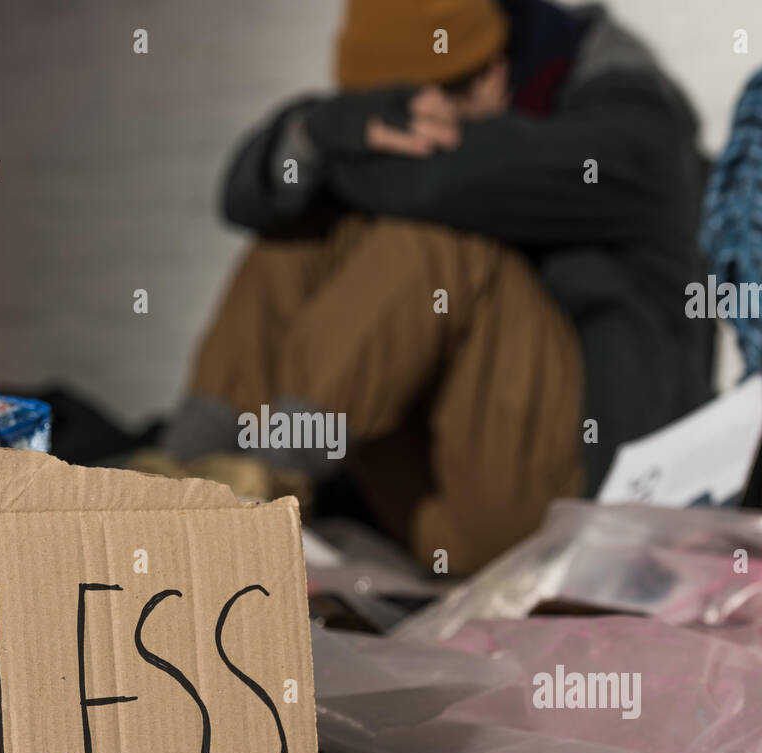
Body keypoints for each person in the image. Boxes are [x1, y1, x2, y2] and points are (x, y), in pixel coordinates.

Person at [137, 0, 712, 574]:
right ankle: (181, 469)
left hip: (561, 507)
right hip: (421, 500)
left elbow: (451, 175)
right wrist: (314, 134)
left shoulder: (635, 124)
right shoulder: (464, 80)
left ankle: (271, 485)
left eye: (411, 107)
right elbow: (244, 194)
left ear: (492, 76)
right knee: (300, 233)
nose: (392, 124)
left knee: (438, 234)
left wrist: (324, 141)